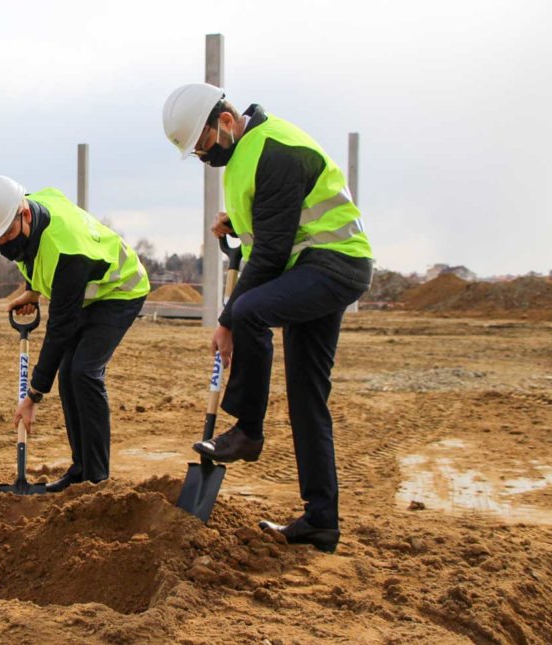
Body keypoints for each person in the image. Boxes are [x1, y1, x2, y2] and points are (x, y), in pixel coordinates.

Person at [162, 83, 374, 553]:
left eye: (203, 144)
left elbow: (274, 252)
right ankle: (321, 521)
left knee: (250, 310)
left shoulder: (275, 149)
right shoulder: (243, 158)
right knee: (306, 396)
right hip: (311, 268)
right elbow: (272, 226)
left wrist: (227, 319)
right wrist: (235, 226)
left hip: (334, 263)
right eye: (194, 152)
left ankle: (248, 431)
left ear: (226, 120)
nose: (203, 156)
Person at [0, 175, 149, 492]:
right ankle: (80, 473)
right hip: (88, 291)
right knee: (68, 375)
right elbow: (35, 256)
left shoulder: (67, 252)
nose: (4, 244)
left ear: (24, 214)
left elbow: (60, 330)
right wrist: (33, 291)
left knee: (84, 372)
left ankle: (96, 481)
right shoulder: (27, 211)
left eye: (7, 234)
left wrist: (34, 395)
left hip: (121, 289)